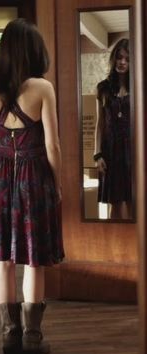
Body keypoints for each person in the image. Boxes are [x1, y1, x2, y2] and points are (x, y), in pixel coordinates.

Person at [0, 18, 64, 354]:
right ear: (33, 51)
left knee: (4, 260)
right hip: (35, 177)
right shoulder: (42, 88)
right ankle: (32, 337)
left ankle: (9, 336)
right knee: (33, 259)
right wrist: (57, 185)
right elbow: (53, 146)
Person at [94, 38, 132, 219]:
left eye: (127, 58)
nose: (122, 62)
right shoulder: (103, 88)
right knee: (115, 207)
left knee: (136, 204)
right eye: (119, 57)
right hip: (111, 151)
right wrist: (97, 154)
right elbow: (100, 124)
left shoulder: (140, 86)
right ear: (113, 58)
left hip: (134, 151)